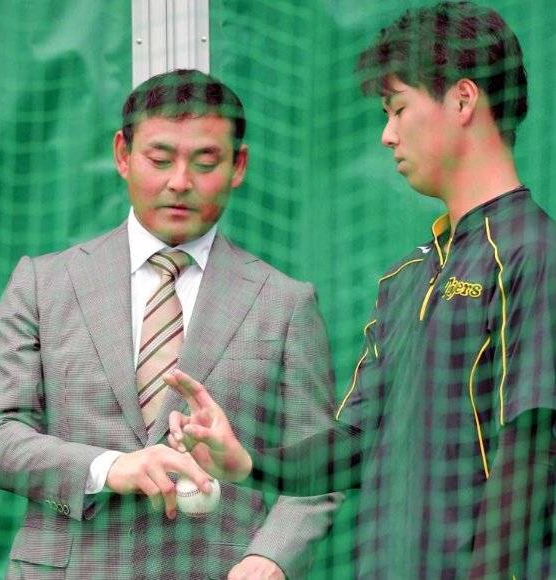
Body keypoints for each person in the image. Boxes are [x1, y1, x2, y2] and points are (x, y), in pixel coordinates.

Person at [166, 4, 556, 578]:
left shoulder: (533, 253)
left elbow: (533, 448)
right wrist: (247, 462)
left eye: (398, 108)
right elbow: (354, 444)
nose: (387, 134)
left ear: (463, 100)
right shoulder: (407, 279)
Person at [0, 69, 341, 579]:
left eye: (205, 162)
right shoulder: (43, 284)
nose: (180, 182)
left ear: (238, 165)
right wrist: (108, 467)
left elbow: (318, 467)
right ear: (123, 155)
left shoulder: (286, 303)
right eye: (160, 159)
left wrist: (270, 558)